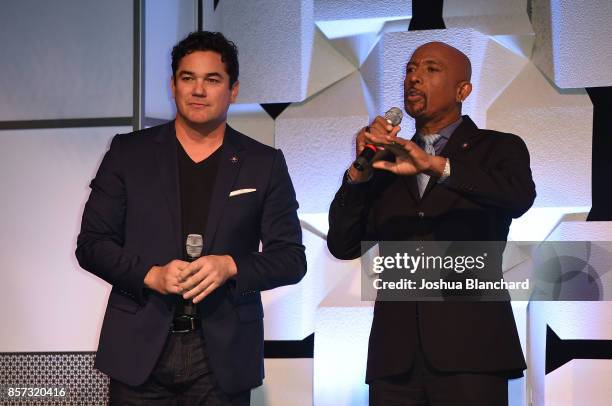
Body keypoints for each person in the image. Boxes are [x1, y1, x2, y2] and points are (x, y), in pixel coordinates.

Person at [76, 31, 306, 405]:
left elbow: (291, 259)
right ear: (173, 85)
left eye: (212, 80)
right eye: (188, 78)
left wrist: (231, 266)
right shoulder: (128, 153)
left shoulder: (263, 163)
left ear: (232, 90)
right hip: (139, 347)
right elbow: (92, 244)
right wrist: (151, 275)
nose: (198, 90)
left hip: (222, 353)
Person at [327, 41, 536, 405]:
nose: (414, 78)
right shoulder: (387, 162)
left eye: (431, 69)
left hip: (473, 350)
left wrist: (435, 165)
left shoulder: (497, 148)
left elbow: (518, 198)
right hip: (395, 356)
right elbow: (343, 244)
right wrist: (358, 172)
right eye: (410, 69)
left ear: (463, 90)